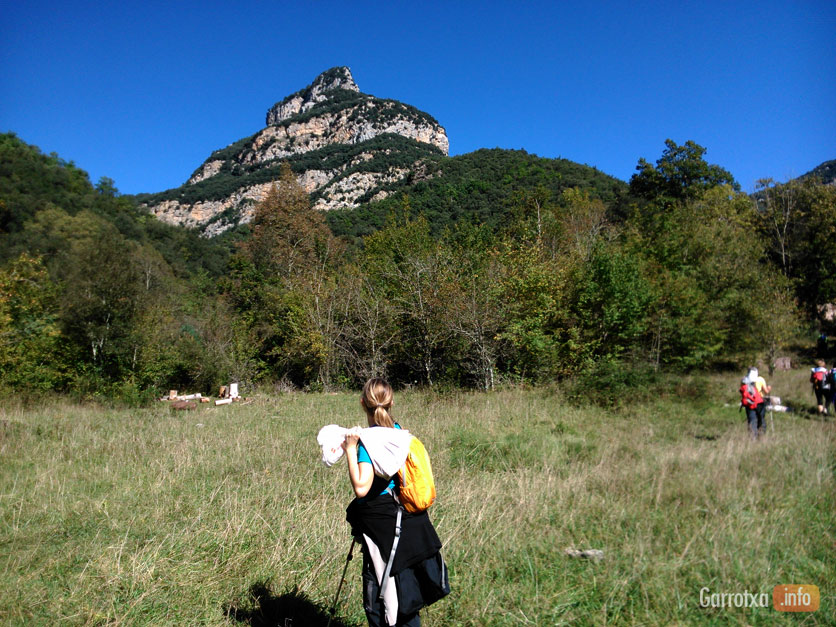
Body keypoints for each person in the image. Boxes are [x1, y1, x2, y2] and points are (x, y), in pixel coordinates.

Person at [343, 378, 444, 627]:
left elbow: (361, 488)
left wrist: (350, 448)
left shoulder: (369, 441)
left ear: (362, 403)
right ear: (391, 402)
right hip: (408, 524)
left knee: (379, 598)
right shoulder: (399, 432)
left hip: (383, 531)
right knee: (407, 593)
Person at [740, 369, 764, 440]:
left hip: (749, 405)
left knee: (752, 420)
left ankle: (753, 438)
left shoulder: (744, 382)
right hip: (759, 403)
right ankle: (761, 436)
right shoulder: (758, 380)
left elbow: (741, 391)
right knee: (761, 420)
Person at [748, 367, 771, 436]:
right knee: (761, 418)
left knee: (752, 419)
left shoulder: (745, 380)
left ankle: (752, 436)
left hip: (749, 402)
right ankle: (761, 434)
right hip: (760, 401)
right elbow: (766, 392)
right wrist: (769, 388)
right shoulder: (760, 379)